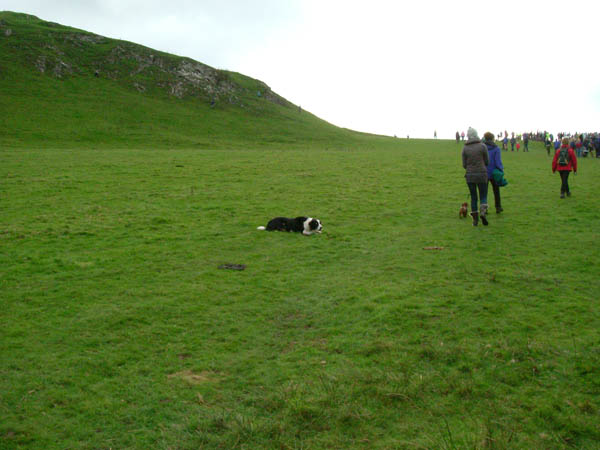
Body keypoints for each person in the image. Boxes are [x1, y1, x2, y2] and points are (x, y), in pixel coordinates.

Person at [462, 127, 490, 226]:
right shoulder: (483, 146)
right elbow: (487, 161)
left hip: (470, 175)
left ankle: (475, 220)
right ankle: (482, 212)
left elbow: (464, 164)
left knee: (473, 197)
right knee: (483, 195)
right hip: (482, 174)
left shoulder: (465, 148)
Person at [483, 132, 504, 213]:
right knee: (496, 191)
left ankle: (484, 209)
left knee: (484, 192)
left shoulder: (482, 147)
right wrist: (501, 169)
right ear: (492, 138)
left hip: (484, 171)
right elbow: (498, 161)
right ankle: (498, 207)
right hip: (494, 172)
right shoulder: (496, 148)